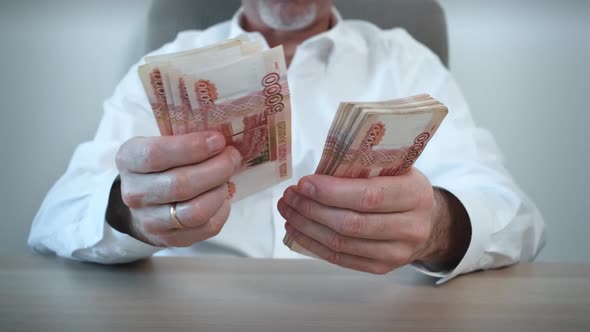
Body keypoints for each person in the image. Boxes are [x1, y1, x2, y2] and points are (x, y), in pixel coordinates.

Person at [28, 0, 545, 283]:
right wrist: (128, 210)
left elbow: (515, 215)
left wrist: (439, 226)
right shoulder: (170, 61)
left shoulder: (405, 60)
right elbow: (57, 214)